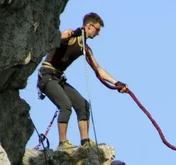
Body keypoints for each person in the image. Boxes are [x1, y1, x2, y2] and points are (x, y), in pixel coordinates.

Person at [37, 12, 128, 150]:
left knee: (83, 105)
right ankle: (63, 143)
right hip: (47, 76)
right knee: (65, 106)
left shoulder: (85, 49)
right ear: (89, 26)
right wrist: (75, 33)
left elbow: (98, 69)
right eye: (97, 29)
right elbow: (62, 36)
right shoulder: (71, 37)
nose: (98, 34)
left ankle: (85, 141)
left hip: (58, 79)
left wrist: (116, 83)